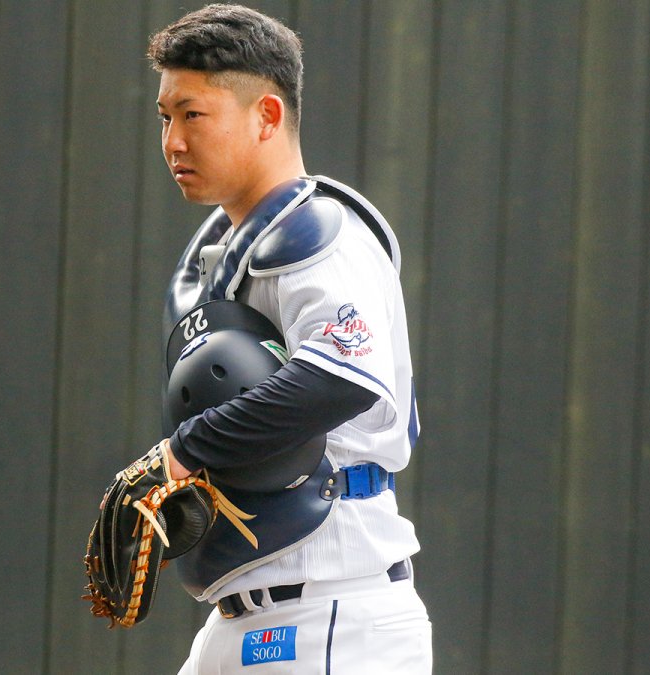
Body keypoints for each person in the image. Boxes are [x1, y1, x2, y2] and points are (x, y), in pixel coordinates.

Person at [146, 4, 432, 672]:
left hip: (330, 615)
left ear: (267, 116)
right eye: (165, 118)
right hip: (255, 616)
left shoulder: (321, 238)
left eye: (193, 114)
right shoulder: (233, 249)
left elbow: (341, 379)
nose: (173, 141)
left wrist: (184, 451)